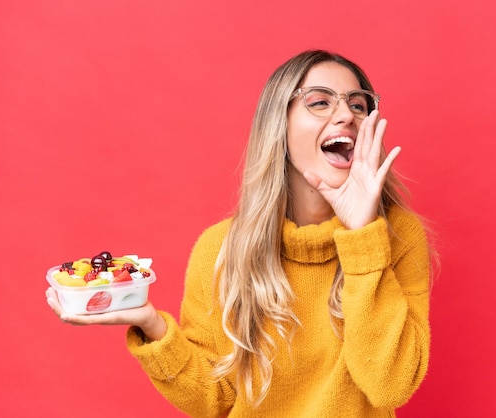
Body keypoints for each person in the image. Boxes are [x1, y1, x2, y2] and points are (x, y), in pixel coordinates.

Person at [45, 49, 432, 417]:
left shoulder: (396, 236)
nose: (346, 114)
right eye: (320, 102)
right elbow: (213, 397)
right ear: (278, 124)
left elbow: (390, 386)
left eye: (358, 105)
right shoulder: (220, 249)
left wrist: (362, 235)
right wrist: (152, 325)